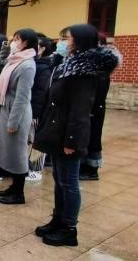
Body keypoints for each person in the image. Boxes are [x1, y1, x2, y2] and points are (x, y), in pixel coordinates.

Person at [33, 24, 119, 247]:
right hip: (57, 130)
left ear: (80, 41)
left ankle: (69, 228)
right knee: (59, 180)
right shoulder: (67, 64)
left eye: (67, 38)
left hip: (69, 135)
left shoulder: (85, 71)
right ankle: (58, 219)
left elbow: (80, 110)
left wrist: (72, 141)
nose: (62, 42)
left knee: (69, 182)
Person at [0, 29, 37, 205]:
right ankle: (14, 186)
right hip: (6, 108)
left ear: (26, 42)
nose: (14, 42)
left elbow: (22, 97)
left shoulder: (28, 65)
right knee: (8, 151)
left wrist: (13, 122)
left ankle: (19, 192)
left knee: (17, 153)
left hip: (17, 113)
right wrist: (6, 45)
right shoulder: (15, 60)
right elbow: (3, 58)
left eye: (17, 39)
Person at [79, 33, 121, 181]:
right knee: (85, 137)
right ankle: (84, 165)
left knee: (93, 138)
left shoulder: (102, 65)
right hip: (88, 107)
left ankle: (92, 169)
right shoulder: (90, 63)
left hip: (94, 108)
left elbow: (97, 90)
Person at [26, 34, 55, 181]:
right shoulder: (34, 63)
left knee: (35, 141)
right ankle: (27, 167)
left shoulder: (44, 67)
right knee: (28, 141)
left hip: (37, 111)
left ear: (42, 49)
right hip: (29, 108)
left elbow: (40, 92)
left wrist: (36, 113)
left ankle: (35, 170)